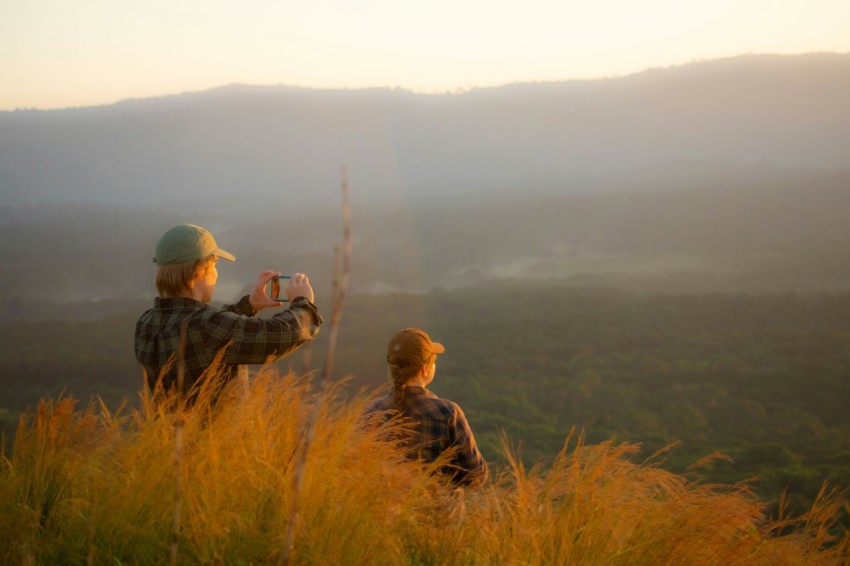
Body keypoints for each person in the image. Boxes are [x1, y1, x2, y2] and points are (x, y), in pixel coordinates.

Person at [135, 223, 323, 400]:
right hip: (217, 434)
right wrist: (303, 303)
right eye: (215, 264)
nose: (217, 273)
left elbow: (206, 331)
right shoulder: (206, 326)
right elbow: (278, 336)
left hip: (170, 434)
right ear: (198, 272)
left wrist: (249, 305)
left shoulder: (146, 323)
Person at [364, 328, 489, 486]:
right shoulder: (447, 412)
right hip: (438, 509)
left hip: (382, 510)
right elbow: (476, 475)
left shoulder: (369, 412)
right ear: (425, 369)